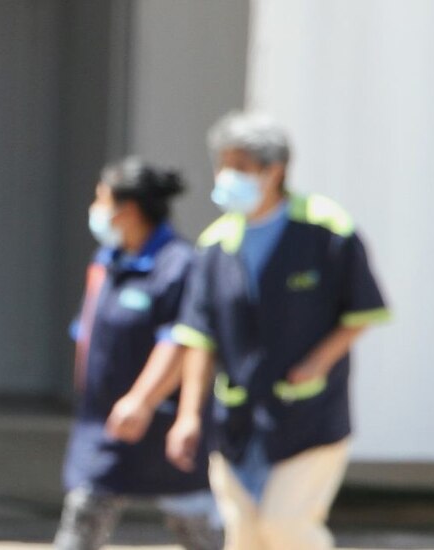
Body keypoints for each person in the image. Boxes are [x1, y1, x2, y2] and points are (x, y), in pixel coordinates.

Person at [166, 111, 390, 550]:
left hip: (309, 415)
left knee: (286, 526)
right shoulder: (216, 243)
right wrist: (189, 413)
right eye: (224, 165)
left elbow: (363, 310)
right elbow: (198, 336)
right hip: (236, 418)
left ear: (276, 170)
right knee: (244, 533)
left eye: (243, 168)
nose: (229, 177)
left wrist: (317, 363)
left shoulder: (326, 229)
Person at [54, 157, 222, 550]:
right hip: (102, 422)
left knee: (193, 522)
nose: (95, 211)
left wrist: (142, 400)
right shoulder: (108, 261)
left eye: (101, 200)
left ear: (127, 210)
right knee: (83, 515)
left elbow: (182, 341)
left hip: (158, 422)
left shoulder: (178, 266)